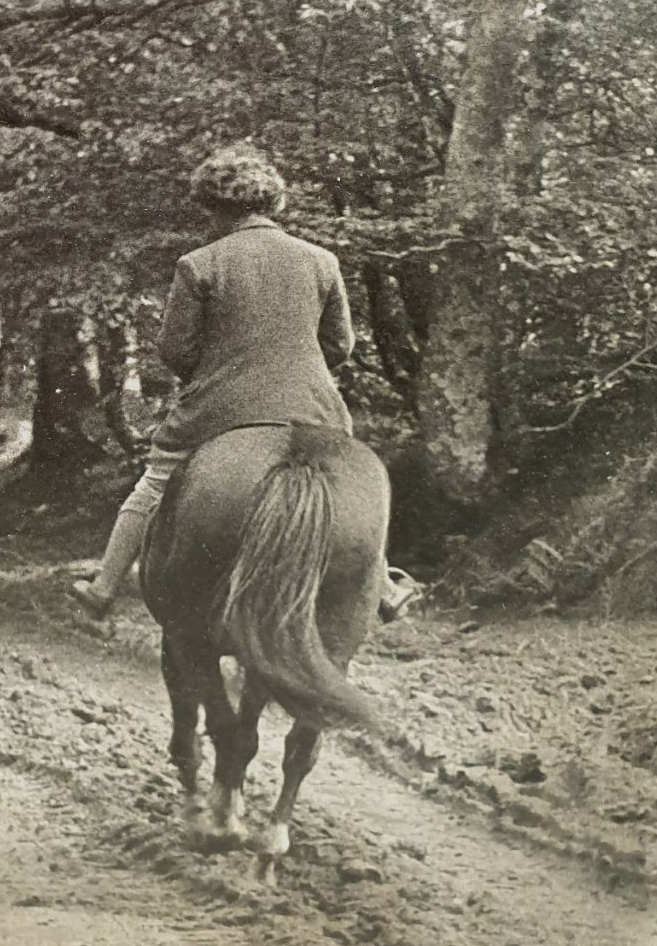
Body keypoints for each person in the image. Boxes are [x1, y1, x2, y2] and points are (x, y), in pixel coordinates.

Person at [70, 145, 419, 621]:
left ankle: (104, 586)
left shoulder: (199, 264)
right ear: (274, 203)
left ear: (213, 208)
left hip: (219, 410)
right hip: (314, 409)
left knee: (154, 484)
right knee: (346, 489)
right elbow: (340, 344)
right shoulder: (321, 260)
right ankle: (381, 587)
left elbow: (175, 351)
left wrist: (218, 371)